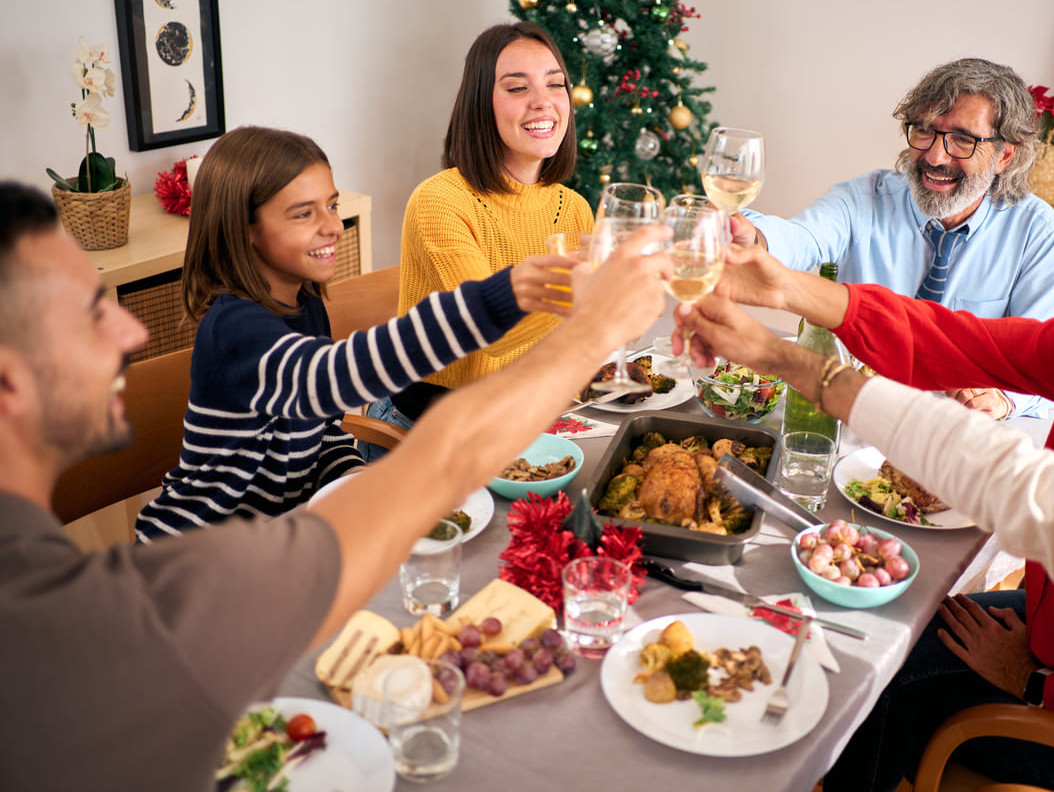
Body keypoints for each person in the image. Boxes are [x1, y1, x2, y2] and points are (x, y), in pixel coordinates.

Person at [0, 181, 670, 791]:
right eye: (92, 313)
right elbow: (432, 448)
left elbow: (326, 435)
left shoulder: (305, 306)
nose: (132, 330)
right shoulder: (108, 627)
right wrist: (591, 332)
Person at [677, 159, 1054, 789]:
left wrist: (1039, 683)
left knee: (872, 685)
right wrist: (785, 288)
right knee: (876, 635)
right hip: (1048, 634)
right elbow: (955, 339)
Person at [135, 126, 577, 542]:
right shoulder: (234, 329)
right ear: (245, 230)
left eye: (331, 204)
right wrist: (504, 293)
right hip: (196, 558)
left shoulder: (304, 305)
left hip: (284, 537)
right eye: (303, 213)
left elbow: (323, 431)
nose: (331, 225)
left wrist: (354, 476)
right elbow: (327, 381)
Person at [736, 58, 1054, 419]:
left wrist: (1004, 399)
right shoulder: (863, 198)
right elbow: (799, 239)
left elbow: (1050, 360)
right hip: (856, 415)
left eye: (962, 139)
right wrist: (753, 237)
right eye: (925, 130)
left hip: (956, 434)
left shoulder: (1036, 232)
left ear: (1005, 155)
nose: (935, 155)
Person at [369, 20, 593, 443]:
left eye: (556, 84)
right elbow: (490, 332)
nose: (543, 103)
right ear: (480, 103)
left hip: (518, 420)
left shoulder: (574, 208)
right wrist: (592, 288)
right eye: (517, 88)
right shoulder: (441, 200)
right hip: (420, 432)